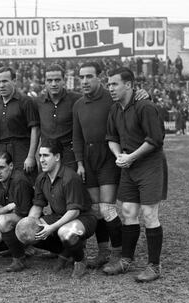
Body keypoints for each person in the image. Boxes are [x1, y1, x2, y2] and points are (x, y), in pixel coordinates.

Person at [73, 62, 150, 269]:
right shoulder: (78, 104)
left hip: (109, 156)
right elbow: (77, 137)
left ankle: (118, 253)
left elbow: (131, 97)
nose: (85, 81)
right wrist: (80, 162)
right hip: (88, 161)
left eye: (89, 76)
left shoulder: (112, 98)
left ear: (100, 78)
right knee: (96, 210)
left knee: (108, 209)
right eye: (81, 77)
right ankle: (102, 251)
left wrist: (142, 93)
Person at [104, 67, 167, 282]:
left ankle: (154, 266)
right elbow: (111, 137)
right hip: (128, 165)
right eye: (109, 84)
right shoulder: (114, 109)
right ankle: (126, 260)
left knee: (149, 214)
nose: (110, 88)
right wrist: (119, 155)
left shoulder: (145, 107)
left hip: (149, 165)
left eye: (114, 84)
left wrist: (131, 157)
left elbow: (155, 140)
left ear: (129, 85)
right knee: (129, 211)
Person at [3, 139, 97, 277]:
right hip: (59, 216)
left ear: (57, 157)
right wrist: (29, 222)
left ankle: (80, 259)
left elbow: (74, 211)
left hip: (82, 218)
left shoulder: (70, 178)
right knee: (28, 231)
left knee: (66, 233)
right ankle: (66, 252)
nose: (41, 160)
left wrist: (52, 228)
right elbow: (37, 205)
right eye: (40, 156)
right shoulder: (41, 178)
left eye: (46, 155)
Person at [0, 152, 34, 262]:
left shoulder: (20, 181)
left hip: (25, 220)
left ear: (10, 166)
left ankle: (19, 256)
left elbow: (23, 212)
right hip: (5, 218)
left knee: (2, 220)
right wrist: (7, 207)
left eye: (1, 167)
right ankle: (16, 247)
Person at [0, 66, 40, 183]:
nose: (1, 85)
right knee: (1, 187)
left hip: (21, 150)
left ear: (14, 81)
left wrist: (31, 156)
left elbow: (35, 129)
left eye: (5, 81)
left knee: (24, 185)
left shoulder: (26, 101)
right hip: (2, 151)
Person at [36, 64, 82, 170]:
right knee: (46, 186)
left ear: (63, 80)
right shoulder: (38, 102)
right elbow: (35, 129)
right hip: (47, 154)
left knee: (69, 185)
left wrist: (80, 162)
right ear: (45, 82)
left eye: (57, 80)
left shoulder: (76, 100)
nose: (53, 84)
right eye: (49, 80)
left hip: (69, 155)